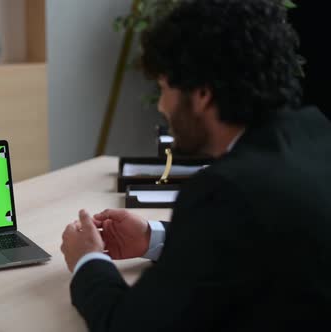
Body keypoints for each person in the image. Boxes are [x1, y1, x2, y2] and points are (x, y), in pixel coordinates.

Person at [60, 0, 331, 331]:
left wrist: (88, 260)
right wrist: (152, 237)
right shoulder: (317, 134)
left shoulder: (225, 189)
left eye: (164, 88)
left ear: (202, 94)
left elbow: (129, 324)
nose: (161, 106)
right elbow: (255, 239)